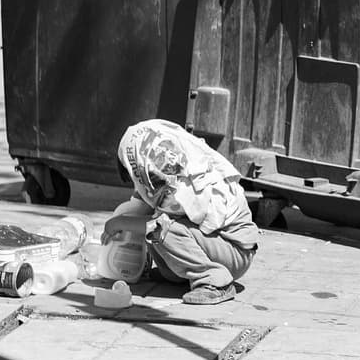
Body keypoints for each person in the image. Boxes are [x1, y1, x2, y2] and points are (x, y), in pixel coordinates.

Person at [107, 119, 259, 305]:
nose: (138, 185)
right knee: (153, 227)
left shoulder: (184, 185)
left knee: (161, 228)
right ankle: (181, 274)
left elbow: (157, 224)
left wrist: (117, 223)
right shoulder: (169, 171)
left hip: (234, 252)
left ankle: (214, 280)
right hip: (221, 247)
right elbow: (138, 209)